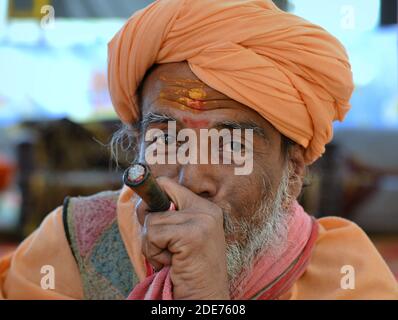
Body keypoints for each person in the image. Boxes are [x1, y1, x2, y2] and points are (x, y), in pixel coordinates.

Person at [1, 0, 397, 300]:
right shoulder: (71, 244)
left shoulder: (345, 273)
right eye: (168, 139)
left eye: (231, 145)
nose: (193, 178)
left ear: (292, 171)